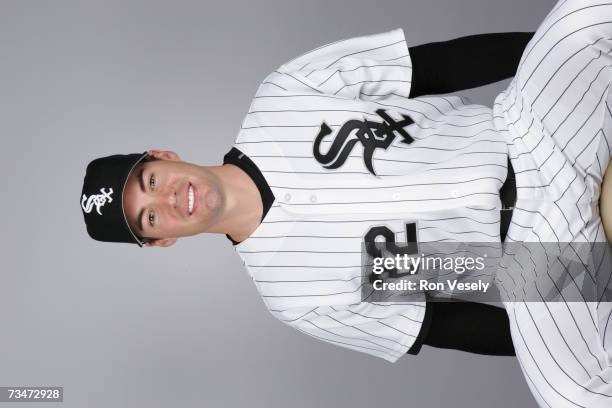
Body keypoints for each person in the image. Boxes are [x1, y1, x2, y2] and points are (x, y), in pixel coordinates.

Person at [81, 0, 612, 406]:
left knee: (579, 18)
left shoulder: (283, 95)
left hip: (530, 135)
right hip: (536, 256)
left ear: (163, 156)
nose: (167, 199)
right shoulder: (293, 295)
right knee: (570, 394)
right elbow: (444, 314)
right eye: (147, 217)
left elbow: (437, 67)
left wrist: (558, 56)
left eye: (149, 179)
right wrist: (548, 324)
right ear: (162, 239)